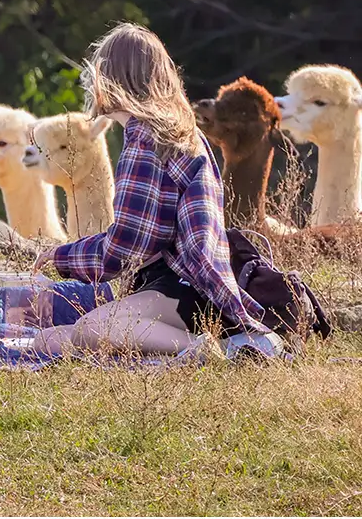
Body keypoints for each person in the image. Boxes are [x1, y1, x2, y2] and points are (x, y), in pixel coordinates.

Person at [31, 22, 283, 359]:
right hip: (191, 283)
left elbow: (129, 245)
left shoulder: (146, 138)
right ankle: (166, 355)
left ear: (107, 79)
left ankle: (213, 350)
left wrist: (61, 257)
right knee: (49, 342)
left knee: (95, 329)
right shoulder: (179, 132)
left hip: (186, 285)